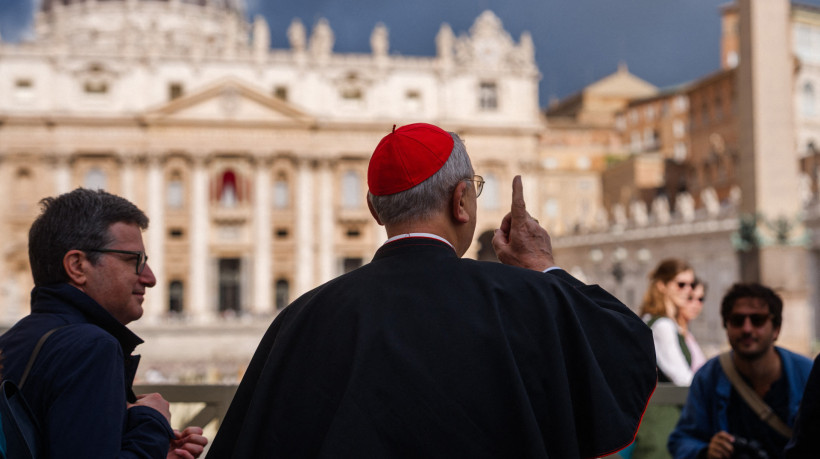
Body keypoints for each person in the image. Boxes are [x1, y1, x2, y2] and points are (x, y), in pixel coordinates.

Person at [206, 123, 657, 458]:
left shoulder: (302, 317)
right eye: (475, 192)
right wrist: (542, 267)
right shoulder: (524, 299)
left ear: (374, 210)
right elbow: (627, 350)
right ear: (460, 201)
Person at [0, 189, 207, 458]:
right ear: (77, 266)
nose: (150, 277)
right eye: (134, 260)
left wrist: (155, 452)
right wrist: (151, 421)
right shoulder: (91, 347)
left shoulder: (14, 340)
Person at [668, 283, 813, 459]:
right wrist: (706, 451)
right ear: (726, 326)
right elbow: (682, 439)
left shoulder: (807, 373)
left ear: (776, 329)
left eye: (757, 320)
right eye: (737, 320)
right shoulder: (709, 376)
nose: (747, 328)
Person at [631, 259, 702, 459]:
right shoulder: (662, 326)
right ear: (662, 286)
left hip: (658, 420)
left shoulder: (654, 321)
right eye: (681, 284)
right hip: (665, 424)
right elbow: (683, 379)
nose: (688, 290)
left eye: (692, 284)